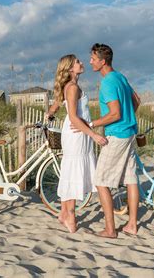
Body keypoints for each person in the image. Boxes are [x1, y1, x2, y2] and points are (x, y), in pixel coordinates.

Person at [46, 54, 108, 233]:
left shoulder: (70, 86)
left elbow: (58, 102)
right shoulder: (72, 87)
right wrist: (94, 135)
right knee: (73, 172)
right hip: (77, 133)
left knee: (70, 171)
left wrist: (50, 113)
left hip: (78, 132)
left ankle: (64, 213)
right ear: (70, 68)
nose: (82, 63)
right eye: (78, 62)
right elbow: (73, 117)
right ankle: (70, 216)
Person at [87, 43, 141, 238]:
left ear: (102, 62)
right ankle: (132, 225)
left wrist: (92, 124)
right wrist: (129, 117)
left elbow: (115, 114)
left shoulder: (108, 82)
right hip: (129, 133)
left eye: (93, 58)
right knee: (130, 179)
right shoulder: (120, 76)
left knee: (101, 181)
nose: (90, 61)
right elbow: (137, 99)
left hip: (117, 135)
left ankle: (110, 229)